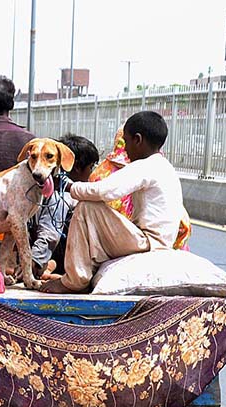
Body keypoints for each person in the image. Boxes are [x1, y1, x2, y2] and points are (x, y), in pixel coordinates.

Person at [41, 111, 186, 294]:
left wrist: (68, 187)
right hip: (154, 240)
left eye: (126, 142)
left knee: (87, 207)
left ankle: (75, 280)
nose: (124, 150)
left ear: (138, 140)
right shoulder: (165, 167)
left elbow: (104, 191)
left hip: (148, 243)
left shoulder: (146, 165)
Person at [27, 134, 99, 278]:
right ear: (77, 166)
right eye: (91, 167)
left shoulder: (45, 184)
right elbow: (49, 232)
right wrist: (33, 263)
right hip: (59, 254)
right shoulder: (63, 193)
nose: (91, 173)